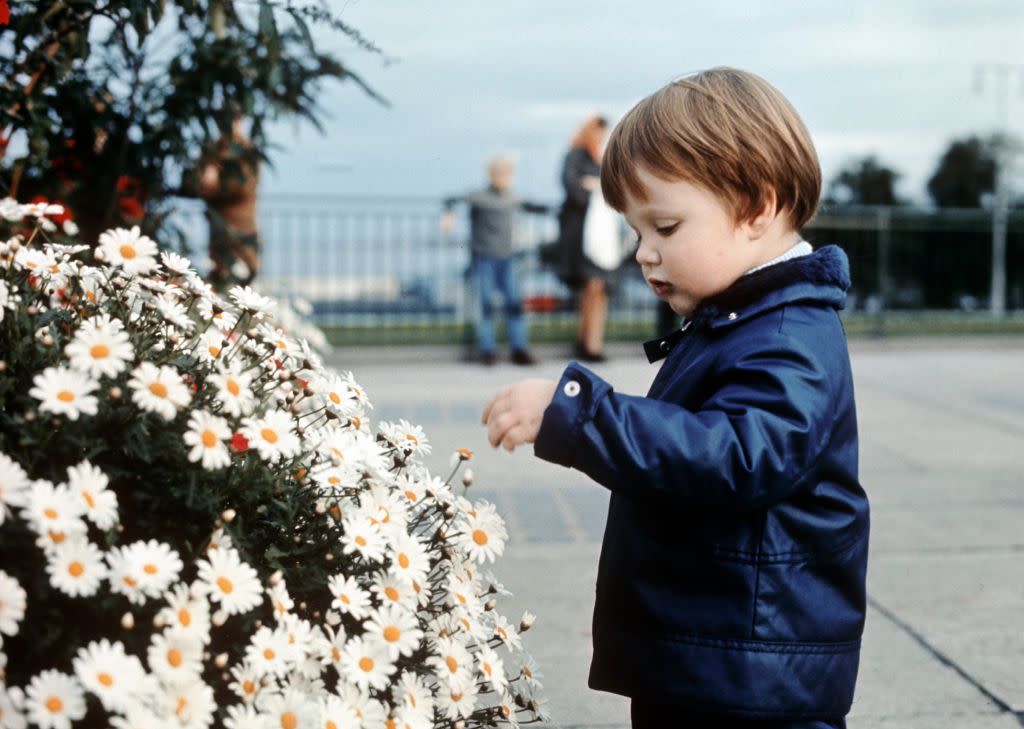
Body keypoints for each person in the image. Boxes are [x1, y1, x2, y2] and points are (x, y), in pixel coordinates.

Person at [481, 67, 868, 728]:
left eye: (664, 226)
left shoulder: (788, 333)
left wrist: (579, 413)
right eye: (637, 233)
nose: (643, 254)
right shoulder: (746, 316)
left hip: (751, 680)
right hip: (720, 657)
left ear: (756, 207)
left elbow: (737, 457)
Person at [442, 155, 549, 366]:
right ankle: (487, 350)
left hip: (508, 258)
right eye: (500, 174)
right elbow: (451, 200)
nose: (504, 178)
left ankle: (519, 349)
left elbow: (531, 207)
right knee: (486, 305)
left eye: (507, 174)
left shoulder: (511, 197)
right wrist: (448, 217)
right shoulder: (479, 196)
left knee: (514, 304)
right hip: (485, 258)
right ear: (491, 175)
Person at [556, 116, 612, 362]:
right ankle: (589, 343)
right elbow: (572, 187)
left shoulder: (598, 157)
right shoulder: (577, 155)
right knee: (591, 287)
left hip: (599, 235)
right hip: (581, 234)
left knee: (597, 288)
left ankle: (592, 342)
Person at [195, 117, 262, 290]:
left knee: (243, 282)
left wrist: (214, 180)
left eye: (235, 118)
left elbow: (245, 187)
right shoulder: (213, 150)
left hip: (243, 231)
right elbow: (199, 186)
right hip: (218, 231)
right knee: (220, 282)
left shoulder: (246, 150)